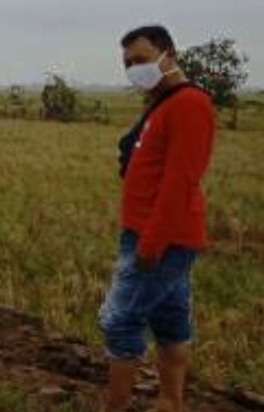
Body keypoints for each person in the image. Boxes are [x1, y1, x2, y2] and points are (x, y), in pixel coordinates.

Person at [99, 25, 216, 412]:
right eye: (128, 63)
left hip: (160, 239)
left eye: (142, 60)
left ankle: (114, 407)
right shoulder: (163, 103)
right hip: (150, 234)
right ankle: (170, 401)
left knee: (119, 320)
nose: (135, 68)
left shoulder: (189, 105)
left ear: (169, 55)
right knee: (169, 322)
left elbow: (180, 181)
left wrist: (152, 241)